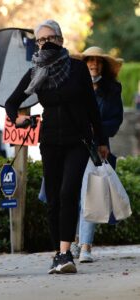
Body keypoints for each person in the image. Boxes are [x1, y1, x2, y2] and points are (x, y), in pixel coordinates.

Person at [5, 20, 109, 274]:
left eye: (50, 38)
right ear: (37, 45)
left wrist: (102, 140)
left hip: (78, 141)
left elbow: (92, 108)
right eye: (41, 40)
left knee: (67, 193)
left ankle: (65, 253)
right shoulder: (35, 71)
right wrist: (19, 119)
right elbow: (11, 103)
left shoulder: (76, 69)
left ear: (61, 40)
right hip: (50, 142)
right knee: (53, 199)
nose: (46, 43)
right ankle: (58, 253)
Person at [70, 46, 124, 262]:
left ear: (103, 65)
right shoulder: (74, 86)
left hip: (96, 149)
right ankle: (72, 241)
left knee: (90, 196)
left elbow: (115, 121)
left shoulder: (112, 89)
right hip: (72, 146)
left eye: (97, 61)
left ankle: (86, 246)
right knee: (70, 196)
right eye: (89, 60)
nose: (93, 64)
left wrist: (96, 129)